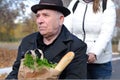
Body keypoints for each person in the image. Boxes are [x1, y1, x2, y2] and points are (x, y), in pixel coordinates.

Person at [6, 0, 87, 79]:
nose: (39, 21)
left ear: (61, 20)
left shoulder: (76, 46)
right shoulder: (27, 41)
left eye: (45, 15)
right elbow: (16, 71)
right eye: (38, 16)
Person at [64, 0, 116, 79]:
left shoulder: (107, 4)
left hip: (99, 64)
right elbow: (67, 30)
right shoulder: (75, 3)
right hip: (77, 61)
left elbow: (106, 33)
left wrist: (95, 53)